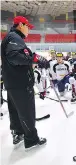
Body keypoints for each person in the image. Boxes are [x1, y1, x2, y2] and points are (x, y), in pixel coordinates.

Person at [1, 16, 48, 150]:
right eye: (28, 26)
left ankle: (18, 133)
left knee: (15, 110)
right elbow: (15, 57)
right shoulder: (14, 37)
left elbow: (16, 58)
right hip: (21, 83)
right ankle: (31, 139)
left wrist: (33, 59)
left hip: (12, 82)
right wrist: (35, 59)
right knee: (26, 111)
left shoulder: (11, 37)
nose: (29, 30)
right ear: (21, 25)